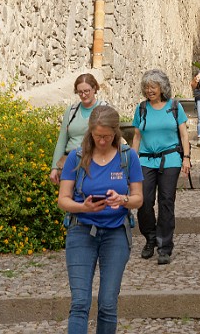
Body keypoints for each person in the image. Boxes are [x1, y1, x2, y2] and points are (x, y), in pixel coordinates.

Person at [58, 105, 143, 334]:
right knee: (80, 303)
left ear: (115, 132)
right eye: (97, 136)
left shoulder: (128, 157)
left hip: (116, 233)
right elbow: (63, 200)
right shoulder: (76, 157)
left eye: (106, 136)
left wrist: (123, 199)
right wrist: (82, 206)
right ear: (90, 133)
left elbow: (138, 199)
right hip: (81, 231)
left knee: (107, 303)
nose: (102, 141)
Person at [132, 69, 191, 265]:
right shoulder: (141, 109)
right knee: (144, 200)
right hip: (146, 161)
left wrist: (187, 158)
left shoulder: (175, 107)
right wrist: (132, 161)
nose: (149, 90)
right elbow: (137, 136)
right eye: (147, 87)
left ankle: (165, 246)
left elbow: (184, 135)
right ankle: (150, 236)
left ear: (162, 88)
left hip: (170, 159)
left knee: (166, 201)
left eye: (153, 87)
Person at [51, 73, 109, 185]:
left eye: (87, 91)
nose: (83, 95)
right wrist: (54, 167)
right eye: (80, 92)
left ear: (94, 89)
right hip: (69, 162)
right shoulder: (72, 111)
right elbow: (62, 139)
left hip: (94, 161)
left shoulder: (104, 109)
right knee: (68, 198)